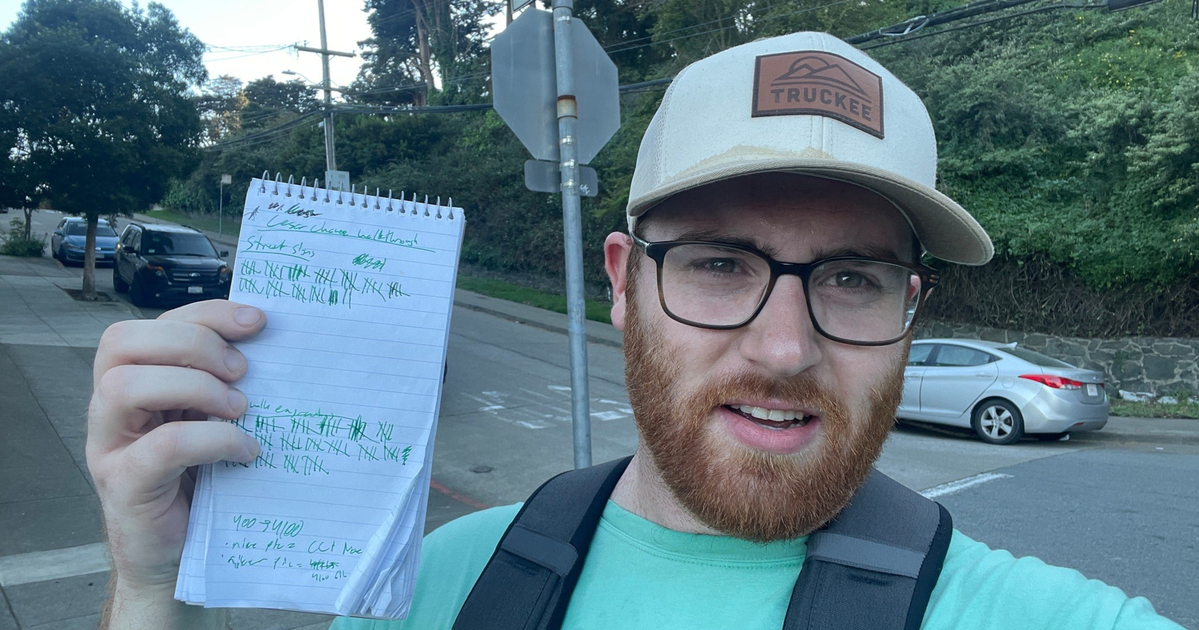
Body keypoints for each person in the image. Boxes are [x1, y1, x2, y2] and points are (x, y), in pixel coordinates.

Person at [87, 32, 1183, 630]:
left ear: (910, 311)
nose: (783, 348)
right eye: (718, 265)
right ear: (620, 282)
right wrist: (148, 592)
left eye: (849, 277)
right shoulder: (430, 587)